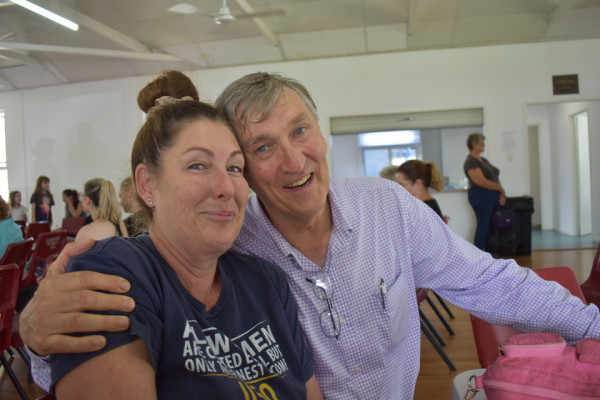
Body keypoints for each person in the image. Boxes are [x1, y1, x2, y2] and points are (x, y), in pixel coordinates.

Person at [20, 72, 600, 399]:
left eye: (301, 131)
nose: (294, 160)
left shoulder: (387, 209)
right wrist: (37, 339)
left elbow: (493, 283)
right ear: (246, 169)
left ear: (321, 133)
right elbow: (126, 327)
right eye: (262, 147)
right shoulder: (229, 243)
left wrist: (593, 326)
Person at [41, 71, 321, 399]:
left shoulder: (266, 282)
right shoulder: (113, 273)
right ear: (147, 184)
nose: (225, 187)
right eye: (197, 165)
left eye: (234, 168)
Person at [463, 132, 506, 250]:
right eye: (482, 143)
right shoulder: (471, 162)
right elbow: (481, 181)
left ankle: (489, 251)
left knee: (491, 224)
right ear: (474, 144)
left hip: (491, 196)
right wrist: (500, 189)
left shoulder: (483, 160)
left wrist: (501, 194)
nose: (484, 145)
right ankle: (478, 252)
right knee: (483, 224)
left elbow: (494, 176)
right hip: (481, 196)